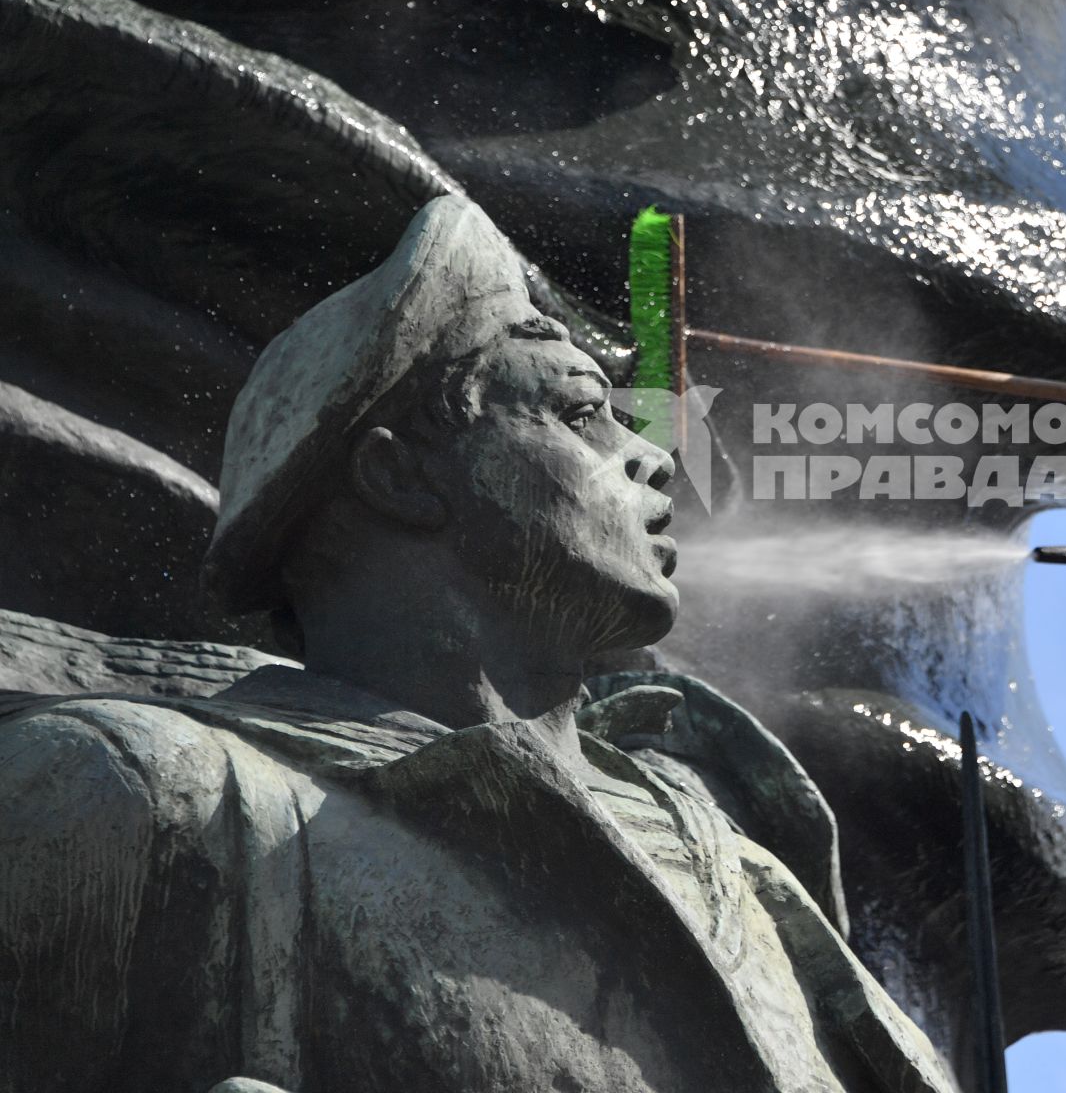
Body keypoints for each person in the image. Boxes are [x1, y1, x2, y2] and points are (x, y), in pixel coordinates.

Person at [0, 196, 957, 1092]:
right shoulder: (145, 801)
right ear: (399, 474)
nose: (655, 454)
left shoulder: (747, 870)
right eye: (581, 413)